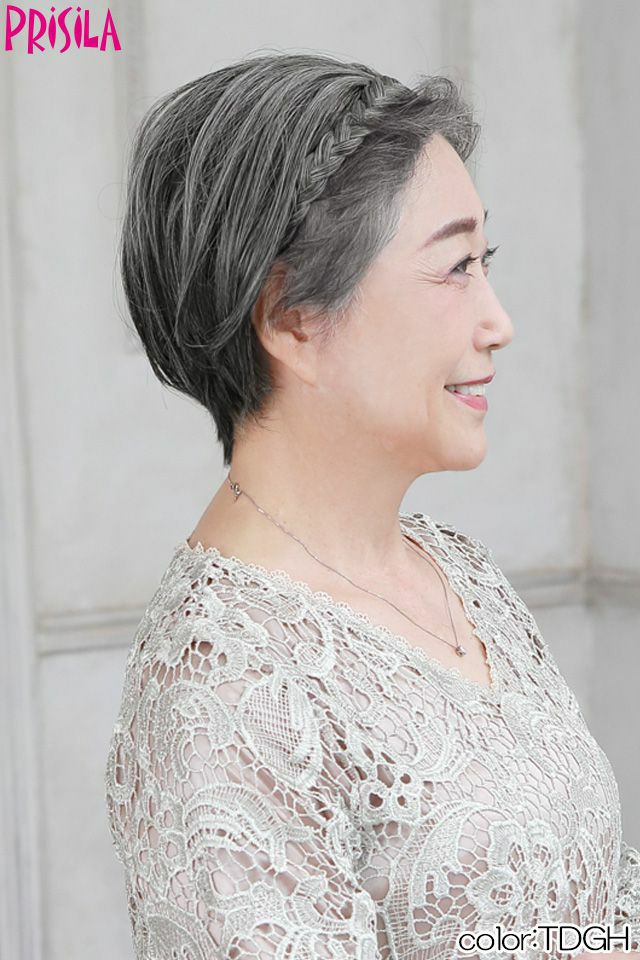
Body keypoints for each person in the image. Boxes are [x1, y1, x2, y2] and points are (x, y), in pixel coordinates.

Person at [104, 51, 640, 959]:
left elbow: (591, 910)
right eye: (456, 267)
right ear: (291, 318)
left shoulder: (456, 571)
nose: (499, 321)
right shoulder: (224, 688)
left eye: (486, 261)